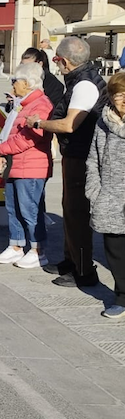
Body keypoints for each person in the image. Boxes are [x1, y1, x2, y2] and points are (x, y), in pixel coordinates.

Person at [27, 36, 108, 288]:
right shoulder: (83, 79)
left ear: (63, 61)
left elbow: (69, 125)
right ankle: (70, 260)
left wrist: (38, 123)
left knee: (77, 213)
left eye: (58, 61)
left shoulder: (84, 85)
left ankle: (84, 270)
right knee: (70, 210)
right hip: (77, 153)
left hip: (82, 156)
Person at [0, 63, 54, 269]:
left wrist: (2, 149)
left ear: (26, 84)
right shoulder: (23, 104)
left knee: (30, 210)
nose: (12, 85)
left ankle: (38, 250)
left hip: (31, 167)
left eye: (14, 81)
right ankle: (16, 245)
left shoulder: (40, 104)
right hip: (16, 165)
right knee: (13, 207)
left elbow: (28, 138)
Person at [86, 72, 125, 319]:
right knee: (114, 249)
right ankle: (121, 296)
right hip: (111, 196)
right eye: (119, 95)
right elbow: (93, 159)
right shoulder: (104, 122)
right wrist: (95, 191)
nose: (123, 100)